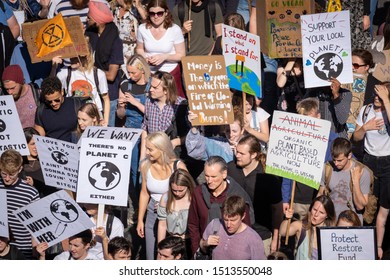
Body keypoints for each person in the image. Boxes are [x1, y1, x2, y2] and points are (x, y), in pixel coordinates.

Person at [281, 97, 338, 220]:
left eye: (310, 120)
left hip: (321, 200)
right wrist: (285, 198)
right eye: (303, 121)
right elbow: (287, 171)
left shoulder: (332, 139)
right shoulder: (294, 139)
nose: (307, 125)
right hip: (298, 200)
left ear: (318, 116)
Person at [227, 134, 283, 256]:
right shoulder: (230, 169)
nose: (237, 156)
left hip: (261, 236)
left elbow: (277, 210)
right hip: (234, 233)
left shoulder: (269, 178)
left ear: (253, 155)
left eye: (242, 153)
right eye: (237, 152)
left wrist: (275, 238)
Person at [187, 156, 254, 255]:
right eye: (206, 176)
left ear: (224, 174)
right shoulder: (198, 193)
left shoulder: (237, 196)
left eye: (213, 177)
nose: (209, 181)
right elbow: (193, 225)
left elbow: (246, 230)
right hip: (205, 251)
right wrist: (197, 251)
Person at [136, 132, 187, 260]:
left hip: (173, 212)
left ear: (161, 149)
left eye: (150, 149)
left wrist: (168, 202)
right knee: (152, 253)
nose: (147, 152)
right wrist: (140, 219)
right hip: (152, 210)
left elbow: (187, 191)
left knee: (170, 254)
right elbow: (144, 193)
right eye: (146, 148)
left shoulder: (177, 166)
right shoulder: (145, 166)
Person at [117, 54, 151, 212]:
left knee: (144, 168)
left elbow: (152, 114)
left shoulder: (151, 86)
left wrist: (135, 103)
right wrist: (121, 106)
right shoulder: (125, 85)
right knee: (133, 169)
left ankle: (146, 204)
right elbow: (120, 116)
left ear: (142, 70)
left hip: (147, 129)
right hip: (130, 129)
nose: (130, 76)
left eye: (133, 73)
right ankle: (137, 205)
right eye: (128, 72)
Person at [85, 0, 124, 127]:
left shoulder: (115, 41)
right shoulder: (89, 35)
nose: (86, 19)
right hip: (91, 92)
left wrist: (90, 70)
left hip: (109, 94)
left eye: (89, 17)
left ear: (98, 21)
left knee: (106, 131)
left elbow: (111, 75)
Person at [136, 0, 186, 98]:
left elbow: (181, 55)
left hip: (170, 73)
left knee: (173, 103)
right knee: (152, 104)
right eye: (152, 13)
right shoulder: (142, 28)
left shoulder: (175, 29)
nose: (156, 16)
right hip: (151, 73)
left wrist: (165, 57)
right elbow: (139, 49)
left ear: (166, 13)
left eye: (159, 13)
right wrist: (145, 58)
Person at [54, 40, 110, 125]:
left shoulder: (98, 74)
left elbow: (106, 99)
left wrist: (105, 121)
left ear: (85, 56)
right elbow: (51, 89)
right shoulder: (65, 73)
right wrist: (54, 67)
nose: (70, 58)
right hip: (74, 117)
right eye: (70, 55)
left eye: (74, 56)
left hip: (94, 118)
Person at [317, 138, 370, 225]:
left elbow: (360, 206)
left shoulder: (363, 172)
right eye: (334, 160)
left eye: (340, 160)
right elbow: (320, 194)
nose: (336, 163)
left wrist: (355, 181)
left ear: (349, 156)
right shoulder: (327, 169)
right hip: (331, 221)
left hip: (351, 223)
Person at [140, 71, 189, 160]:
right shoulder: (149, 102)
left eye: (155, 88)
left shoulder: (181, 105)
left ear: (166, 90)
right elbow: (145, 129)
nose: (151, 89)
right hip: (152, 155)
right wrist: (142, 158)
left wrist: (175, 142)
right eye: (151, 86)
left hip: (171, 155)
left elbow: (192, 135)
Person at [0, 149, 39, 259]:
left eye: (11, 174)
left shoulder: (30, 192)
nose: (7, 178)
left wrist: (34, 249)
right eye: (4, 173)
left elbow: (35, 224)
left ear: (20, 169)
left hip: (22, 251)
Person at [200, 195, 266, 260]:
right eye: (225, 219)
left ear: (243, 216)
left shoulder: (253, 238)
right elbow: (202, 246)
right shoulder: (214, 225)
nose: (228, 225)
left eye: (233, 220)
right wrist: (205, 243)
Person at [279, 195, 336, 260]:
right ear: (310, 209)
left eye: (321, 212)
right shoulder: (301, 226)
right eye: (314, 209)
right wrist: (287, 218)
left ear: (327, 215)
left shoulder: (332, 234)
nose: (316, 214)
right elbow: (283, 232)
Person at [157, 169, 195, 256]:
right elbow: (162, 224)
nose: (177, 193)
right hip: (171, 241)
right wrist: (160, 248)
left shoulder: (194, 198)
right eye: (174, 190)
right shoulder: (166, 198)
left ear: (188, 186)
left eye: (181, 190)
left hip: (188, 241)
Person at [34, 76, 80, 142]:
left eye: (57, 100)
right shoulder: (41, 110)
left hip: (75, 148)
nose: (53, 104)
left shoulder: (76, 104)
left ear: (62, 92)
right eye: (49, 101)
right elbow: (40, 140)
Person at [113, 0, 147, 75]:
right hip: (118, 47)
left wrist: (138, 5)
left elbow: (147, 19)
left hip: (132, 49)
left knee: (133, 74)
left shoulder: (136, 9)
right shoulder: (116, 9)